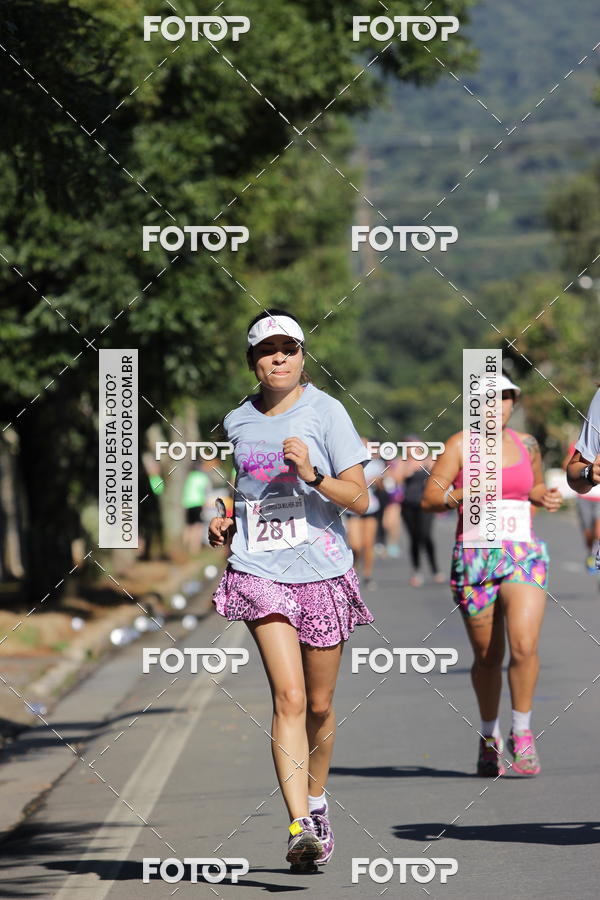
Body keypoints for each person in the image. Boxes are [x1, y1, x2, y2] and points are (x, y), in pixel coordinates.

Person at [208, 308, 374, 870]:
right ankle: (299, 823)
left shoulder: (327, 412)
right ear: (252, 361)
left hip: (322, 571)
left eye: (289, 348)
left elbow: (359, 498)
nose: (278, 357)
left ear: (303, 355)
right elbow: (245, 490)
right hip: (259, 570)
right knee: (290, 697)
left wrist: (311, 476)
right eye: (266, 349)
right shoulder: (237, 421)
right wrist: (226, 515)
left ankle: (318, 799)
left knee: (321, 705)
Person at [422, 371, 562, 777]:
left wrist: (543, 495)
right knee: (488, 657)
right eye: (486, 398)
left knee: (523, 645)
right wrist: (472, 490)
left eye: (503, 398)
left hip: (522, 553)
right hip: (476, 556)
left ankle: (522, 732)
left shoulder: (527, 444)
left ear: (512, 403)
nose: (496, 406)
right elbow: (431, 497)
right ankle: (489, 737)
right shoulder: (460, 445)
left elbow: (531, 488)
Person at [396, 439, 444, 586]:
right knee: (414, 538)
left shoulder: (428, 460)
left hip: (425, 504)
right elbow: (396, 479)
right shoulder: (403, 462)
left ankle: (435, 569)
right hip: (408, 505)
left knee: (426, 535)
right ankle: (416, 570)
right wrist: (407, 468)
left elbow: (439, 476)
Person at [565, 390, 600, 571]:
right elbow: (572, 467)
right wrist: (589, 472)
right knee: (588, 531)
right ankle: (591, 552)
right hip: (589, 493)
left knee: (597, 529)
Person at [345, 438, 386, 590]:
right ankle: (353, 570)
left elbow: (383, 488)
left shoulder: (376, 464)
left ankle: (368, 575)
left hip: (371, 507)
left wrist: (378, 481)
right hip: (352, 508)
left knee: (368, 544)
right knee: (355, 544)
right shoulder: (347, 463)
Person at [182, 461, 211, 554]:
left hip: (186, 503)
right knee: (198, 527)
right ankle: (194, 549)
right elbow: (206, 492)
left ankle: (184, 547)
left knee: (188, 526)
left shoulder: (187, 477)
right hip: (198, 503)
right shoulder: (203, 477)